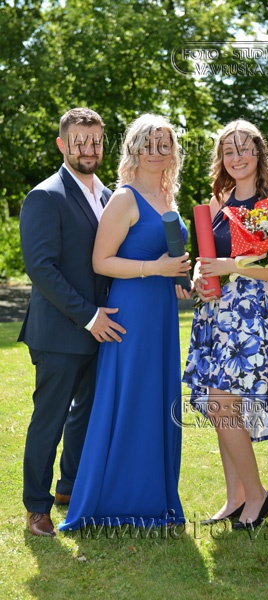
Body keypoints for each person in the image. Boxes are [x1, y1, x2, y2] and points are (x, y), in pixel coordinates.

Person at [58, 114, 191, 532]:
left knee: (157, 399)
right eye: (148, 144)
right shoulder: (124, 198)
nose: (156, 151)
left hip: (162, 313)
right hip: (131, 313)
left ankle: (155, 497)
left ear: (173, 152)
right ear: (133, 148)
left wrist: (181, 279)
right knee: (131, 397)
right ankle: (115, 499)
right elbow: (102, 261)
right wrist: (155, 269)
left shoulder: (168, 197)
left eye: (164, 144)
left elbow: (169, 259)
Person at [181, 120, 268, 530]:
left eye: (244, 148)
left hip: (253, 319)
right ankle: (235, 498)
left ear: (259, 152)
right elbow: (206, 260)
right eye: (228, 151)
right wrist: (199, 278)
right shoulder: (219, 200)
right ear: (222, 159)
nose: (237, 157)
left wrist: (232, 266)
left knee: (221, 404)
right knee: (222, 407)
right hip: (216, 314)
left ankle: (257, 494)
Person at [19, 107, 126, 537]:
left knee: (87, 414)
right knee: (50, 420)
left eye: (95, 141)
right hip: (61, 332)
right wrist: (89, 316)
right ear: (63, 144)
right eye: (80, 142)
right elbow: (42, 269)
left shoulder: (110, 195)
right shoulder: (45, 196)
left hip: (104, 330)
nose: (89, 149)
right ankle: (36, 506)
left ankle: (70, 488)